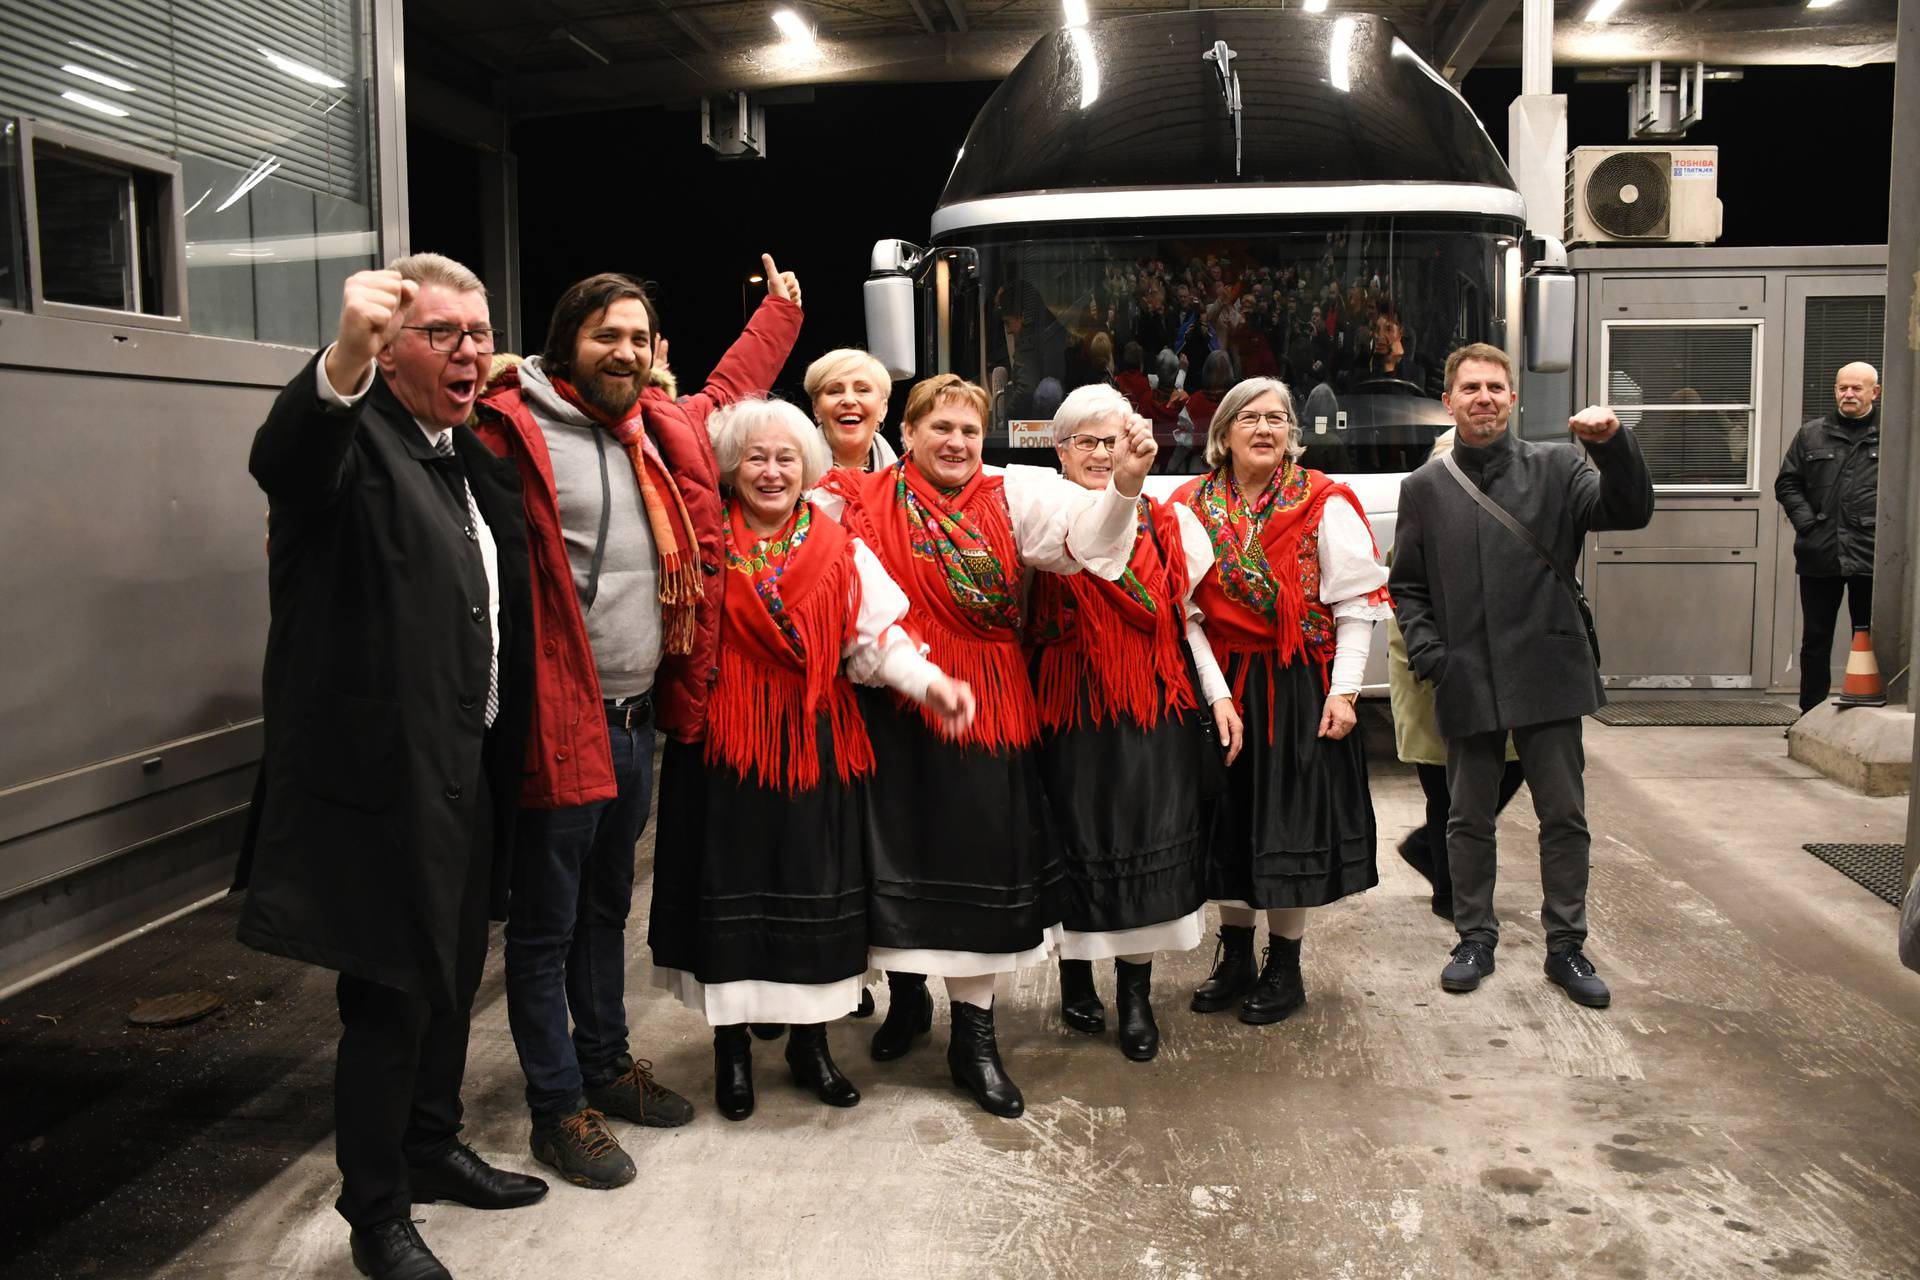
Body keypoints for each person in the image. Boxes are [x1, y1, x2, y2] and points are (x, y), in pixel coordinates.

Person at [239, 255, 545, 1280]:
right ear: (388, 347)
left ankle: (431, 1141)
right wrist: (339, 358)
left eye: (480, 331)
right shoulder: (352, 441)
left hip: (464, 768)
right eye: (443, 333)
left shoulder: (461, 453)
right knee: (389, 995)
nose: (470, 351)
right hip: (384, 783)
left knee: (454, 975)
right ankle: (375, 1212)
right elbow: (284, 455)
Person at [472, 256, 803, 1189]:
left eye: (636, 338)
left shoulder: (657, 426)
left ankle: (607, 1066)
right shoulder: (511, 425)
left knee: (606, 911)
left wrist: (778, 316)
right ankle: (554, 1107)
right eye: (602, 334)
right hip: (555, 715)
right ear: (563, 343)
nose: (622, 351)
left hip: (633, 718)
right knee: (544, 926)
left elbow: (733, 388)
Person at [814, 374, 1156, 1118]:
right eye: (940, 428)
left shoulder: (1014, 493)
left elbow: (1085, 546)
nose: (957, 442)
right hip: (892, 704)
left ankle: (975, 1042)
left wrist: (1123, 488)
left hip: (989, 706)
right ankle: (909, 1006)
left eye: (969, 430)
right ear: (905, 435)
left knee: (977, 872)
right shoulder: (853, 499)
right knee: (897, 864)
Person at [648, 399, 975, 1120]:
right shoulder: (702, 547)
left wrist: (931, 685)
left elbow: (877, 641)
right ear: (734, 467)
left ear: (807, 468)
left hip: (811, 745)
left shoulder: (840, 550)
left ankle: (810, 1046)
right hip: (721, 751)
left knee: (813, 900)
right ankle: (730, 1053)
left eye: (786, 458)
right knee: (725, 898)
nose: (771, 471)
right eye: (757, 457)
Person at [1389, 343, 1654, 1009]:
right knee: (1466, 817)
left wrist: (1614, 446)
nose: (1483, 397)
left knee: (1563, 816)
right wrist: (1432, 657)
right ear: (1447, 403)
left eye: (1495, 387)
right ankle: (1474, 936)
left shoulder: (1561, 467)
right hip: (1468, 675)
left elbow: (1630, 510)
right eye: (1470, 387)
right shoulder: (1424, 488)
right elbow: (1409, 587)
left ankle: (1566, 944)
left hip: (1548, 667)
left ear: (1514, 399)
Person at [1030, 384, 1240, 1061]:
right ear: (1060, 450)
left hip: (1152, 707)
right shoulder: (1033, 517)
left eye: (1112, 440)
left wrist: (1217, 695)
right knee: (1071, 843)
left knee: (1145, 851)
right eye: (1086, 441)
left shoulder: (1173, 523)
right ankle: (1073, 976)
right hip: (1064, 709)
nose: (1100, 452)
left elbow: (1187, 623)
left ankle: (1136, 996)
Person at [1176, 378, 1392, 1027]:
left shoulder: (1323, 501)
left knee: (1287, 828)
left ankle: (1285, 967)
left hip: (1299, 684)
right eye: (1251, 417)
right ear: (1224, 432)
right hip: (1224, 687)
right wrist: (1215, 694)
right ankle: (1236, 957)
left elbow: (1356, 606)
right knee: (1230, 827)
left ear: (1292, 433)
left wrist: (1346, 692)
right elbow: (1185, 615)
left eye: (1277, 418)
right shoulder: (1190, 506)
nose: (1265, 428)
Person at [1384, 429, 1522, 921]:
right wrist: (1435, 662)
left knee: (1509, 766)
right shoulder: (1423, 506)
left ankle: (1430, 852)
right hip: (1432, 674)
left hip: (1490, 672)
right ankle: (1449, 890)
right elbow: (1406, 595)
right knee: (1445, 787)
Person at [1775, 361, 1883, 714]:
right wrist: (1808, 524)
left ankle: (1866, 712)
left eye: (1856, 388)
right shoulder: (1811, 434)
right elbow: (1788, 483)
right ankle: (1810, 715)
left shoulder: (1892, 435)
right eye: (1842, 388)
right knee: (1816, 640)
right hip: (1821, 553)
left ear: (1874, 393)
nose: (1848, 394)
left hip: (1872, 554)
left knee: (1868, 637)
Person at [806, 347, 898, 473]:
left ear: (883, 409)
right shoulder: (789, 473)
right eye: (834, 391)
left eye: (863, 390)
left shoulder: (908, 482)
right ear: (816, 408)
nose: (849, 400)